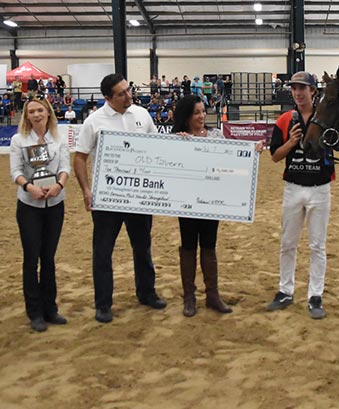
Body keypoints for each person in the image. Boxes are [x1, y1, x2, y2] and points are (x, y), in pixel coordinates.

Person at [73, 73, 167, 324]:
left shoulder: (142, 115)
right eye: (121, 93)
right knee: (103, 252)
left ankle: (146, 293)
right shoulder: (93, 121)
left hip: (138, 196)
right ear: (107, 97)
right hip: (107, 199)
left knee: (142, 247)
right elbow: (80, 158)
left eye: (128, 90)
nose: (128, 96)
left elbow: (158, 147)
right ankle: (103, 303)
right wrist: (86, 190)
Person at [263, 71, 334, 319]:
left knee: (317, 245)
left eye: (303, 88)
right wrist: (291, 143)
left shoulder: (325, 117)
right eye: (294, 88)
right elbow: (274, 156)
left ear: (313, 91)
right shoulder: (284, 120)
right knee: (287, 243)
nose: (298, 93)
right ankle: (285, 290)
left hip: (320, 188)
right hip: (293, 187)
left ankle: (315, 296)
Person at [9, 96, 70, 332]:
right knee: (31, 257)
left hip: (55, 203)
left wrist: (59, 185)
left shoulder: (59, 138)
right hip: (29, 206)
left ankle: (50, 309)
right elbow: (15, 171)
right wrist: (29, 187)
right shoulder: (18, 140)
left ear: (48, 113)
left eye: (40, 111)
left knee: (48, 258)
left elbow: (65, 167)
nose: (36, 115)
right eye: (31, 111)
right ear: (27, 116)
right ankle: (34, 312)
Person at [171, 95, 232, 317]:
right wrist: (178, 143)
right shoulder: (176, 139)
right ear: (187, 116)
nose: (202, 116)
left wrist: (253, 150)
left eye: (203, 111)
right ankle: (189, 296)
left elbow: (231, 159)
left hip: (210, 201)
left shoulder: (216, 135)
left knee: (209, 245)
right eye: (196, 112)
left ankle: (212, 295)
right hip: (186, 203)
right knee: (188, 246)